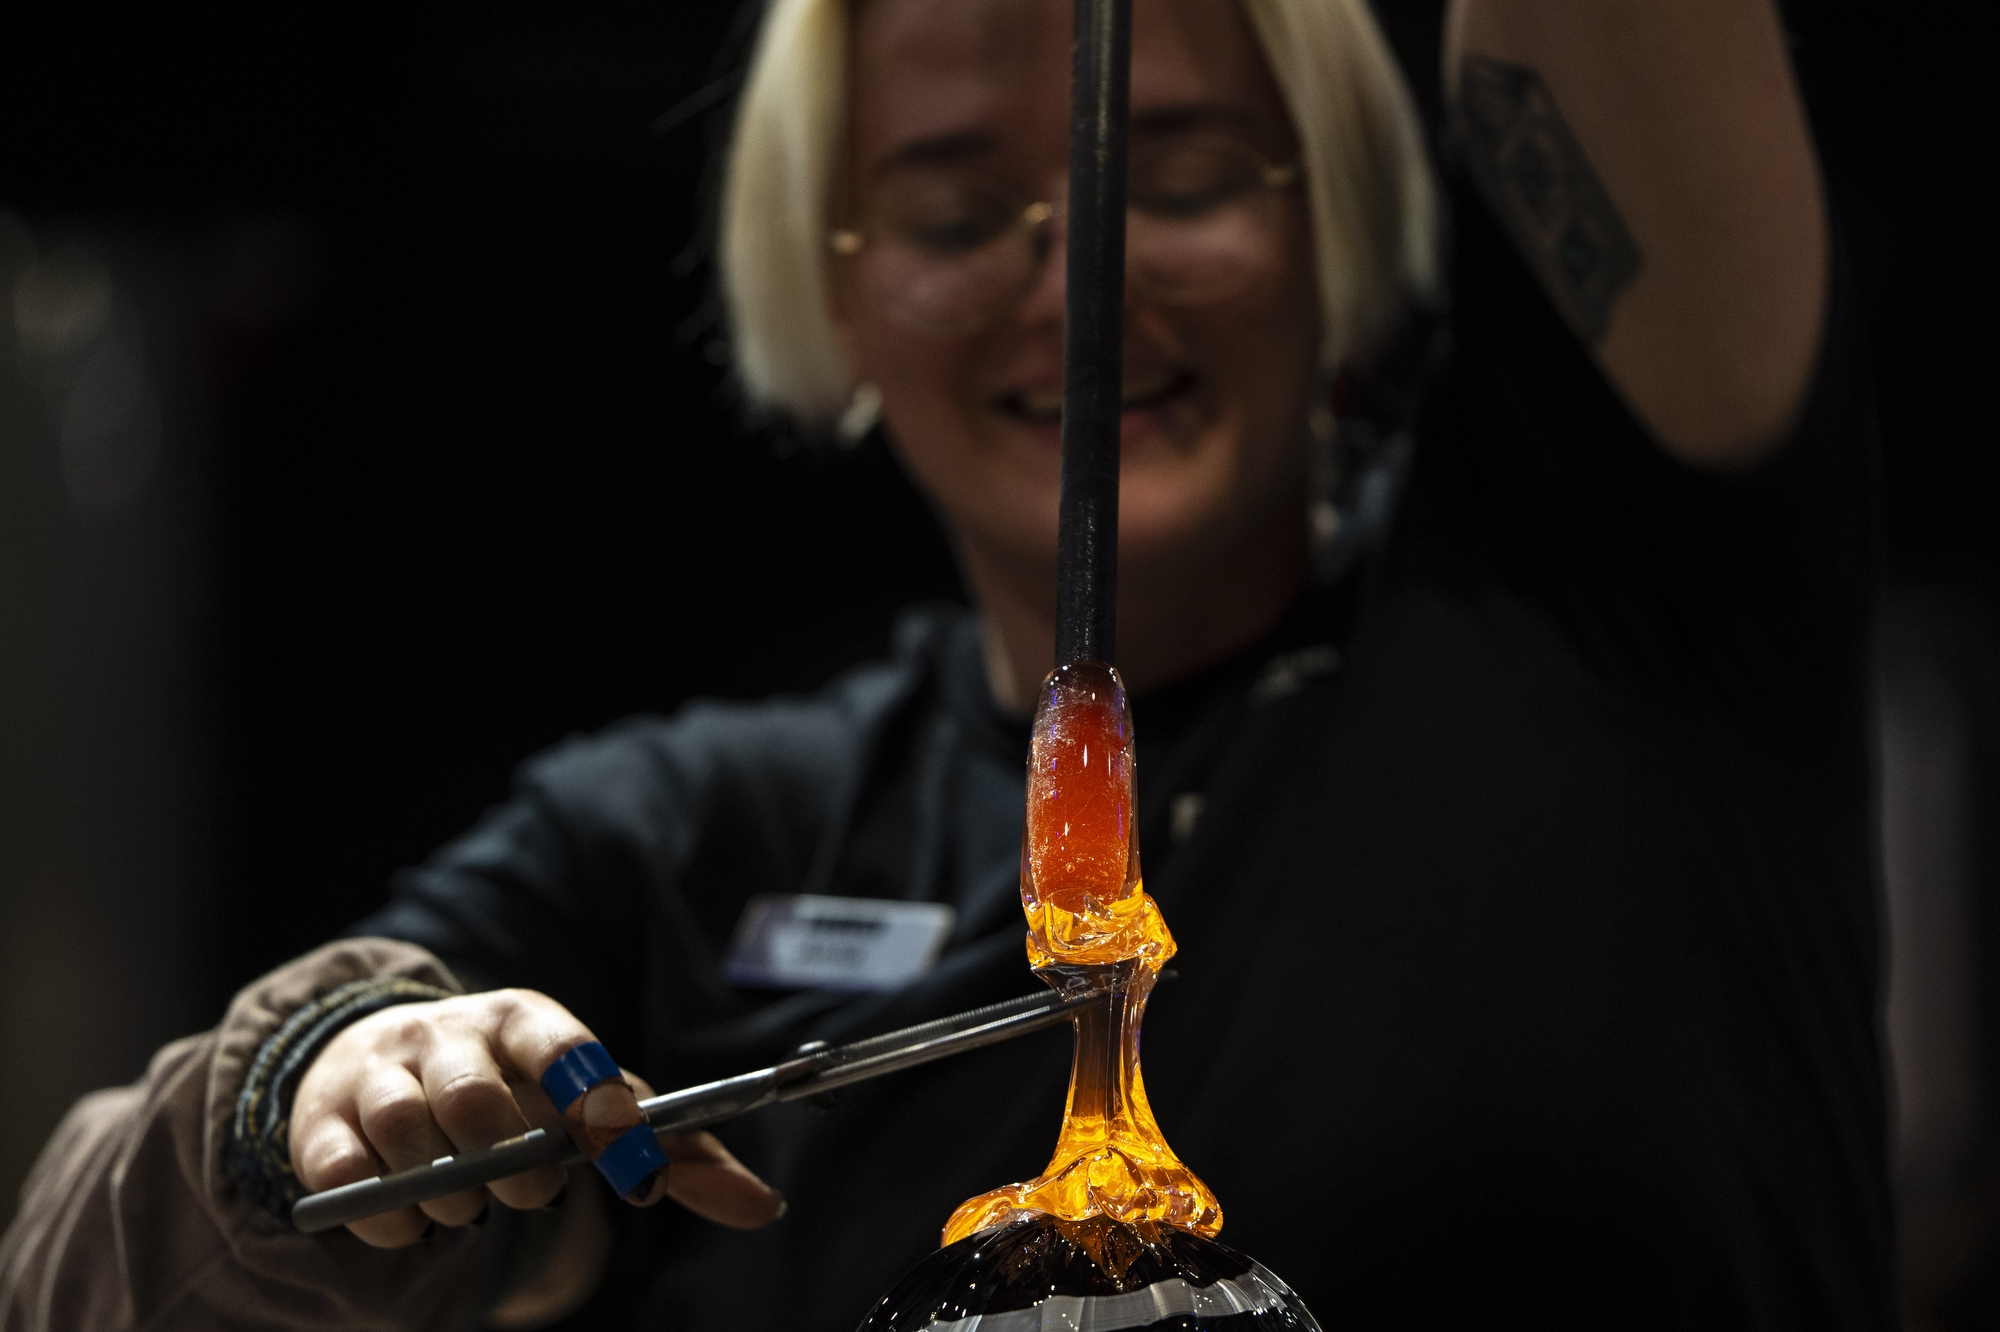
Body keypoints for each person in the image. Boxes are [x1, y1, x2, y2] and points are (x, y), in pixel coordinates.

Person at [1, 0, 1885, 1328]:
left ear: (1342, 212)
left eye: (1194, 171)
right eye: (953, 211)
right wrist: (321, 1092)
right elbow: (86, 1270)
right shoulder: (691, 836)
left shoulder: (1617, 610)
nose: (1076, 284)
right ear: (836, 296)